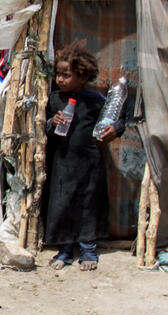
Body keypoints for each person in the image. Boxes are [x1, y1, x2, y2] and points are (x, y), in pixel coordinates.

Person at [44, 41, 116, 272]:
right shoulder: (55, 100)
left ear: (82, 77)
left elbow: (114, 122)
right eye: (58, 75)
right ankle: (64, 250)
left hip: (89, 162)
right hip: (62, 162)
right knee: (62, 204)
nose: (60, 80)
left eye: (66, 75)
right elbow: (43, 128)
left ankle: (88, 249)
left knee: (88, 204)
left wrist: (113, 130)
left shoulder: (95, 101)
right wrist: (51, 123)